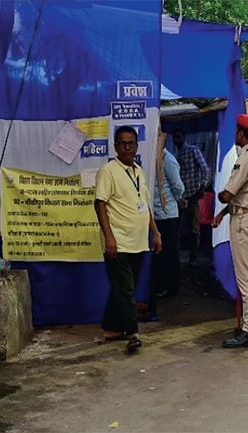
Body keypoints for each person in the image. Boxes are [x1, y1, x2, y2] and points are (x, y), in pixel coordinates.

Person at [94, 125, 162, 353]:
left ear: (136, 145)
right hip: (118, 241)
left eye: (131, 143)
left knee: (122, 287)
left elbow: (145, 205)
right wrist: (109, 237)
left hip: (138, 242)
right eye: (122, 143)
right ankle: (132, 333)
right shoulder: (108, 171)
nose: (127, 147)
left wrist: (155, 232)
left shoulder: (138, 171)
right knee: (125, 290)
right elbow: (100, 204)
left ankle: (112, 329)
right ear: (116, 146)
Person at [212, 114, 248, 349]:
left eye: (237, 130)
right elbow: (244, 194)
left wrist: (219, 195)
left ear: (241, 134)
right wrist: (223, 213)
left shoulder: (245, 159)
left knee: (245, 277)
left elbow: (228, 194)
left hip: (244, 220)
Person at [151, 132, 185, 301]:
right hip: (156, 213)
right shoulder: (153, 158)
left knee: (168, 252)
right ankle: (162, 285)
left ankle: (171, 287)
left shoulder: (168, 159)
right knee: (160, 252)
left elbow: (178, 186)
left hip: (167, 214)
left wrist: (176, 200)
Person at [173, 129, 210, 267]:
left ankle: (193, 258)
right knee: (176, 228)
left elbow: (205, 169)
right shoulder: (175, 154)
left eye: (178, 137)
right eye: (174, 138)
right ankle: (175, 257)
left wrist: (203, 186)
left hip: (193, 194)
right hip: (180, 196)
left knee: (194, 228)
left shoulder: (193, 150)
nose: (176, 140)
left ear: (184, 137)